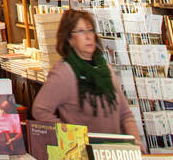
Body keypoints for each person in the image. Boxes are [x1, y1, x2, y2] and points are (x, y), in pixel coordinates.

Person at [31, 8, 143, 146]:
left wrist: (137, 144)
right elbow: (40, 110)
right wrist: (71, 136)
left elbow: (125, 114)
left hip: (115, 153)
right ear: (69, 39)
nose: (88, 36)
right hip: (85, 154)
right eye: (81, 31)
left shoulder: (104, 68)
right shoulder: (64, 72)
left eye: (90, 30)